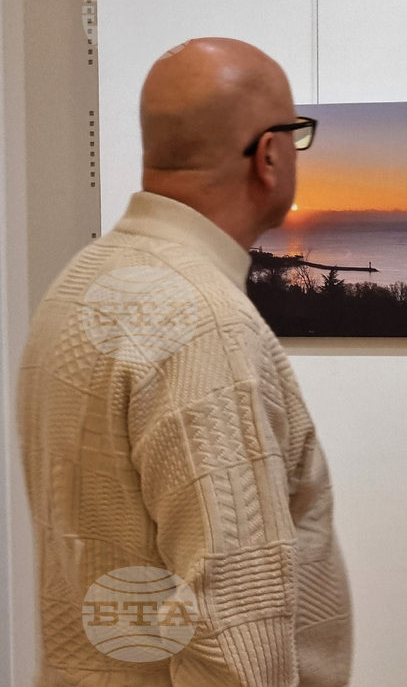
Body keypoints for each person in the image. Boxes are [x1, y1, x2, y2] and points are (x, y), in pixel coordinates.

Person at [18, 38, 352, 685]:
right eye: (298, 136)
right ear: (271, 154)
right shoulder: (203, 324)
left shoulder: (79, 284)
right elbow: (233, 637)